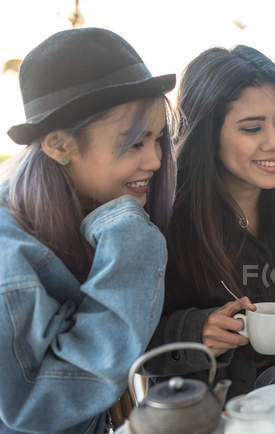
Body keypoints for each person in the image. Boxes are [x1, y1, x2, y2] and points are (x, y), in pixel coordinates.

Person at [148, 45, 275, 397]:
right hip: (204, 412)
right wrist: (194, 331)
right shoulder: (164, 222)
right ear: (208, 136)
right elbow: (131, 345)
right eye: (252, 128)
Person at [0, 28, 176, 433]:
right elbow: (33, 405)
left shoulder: (91, 206)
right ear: (60, 145)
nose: (154, 160)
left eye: (158, 140)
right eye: (134, 143)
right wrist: (133, 246)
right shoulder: (10, 259)